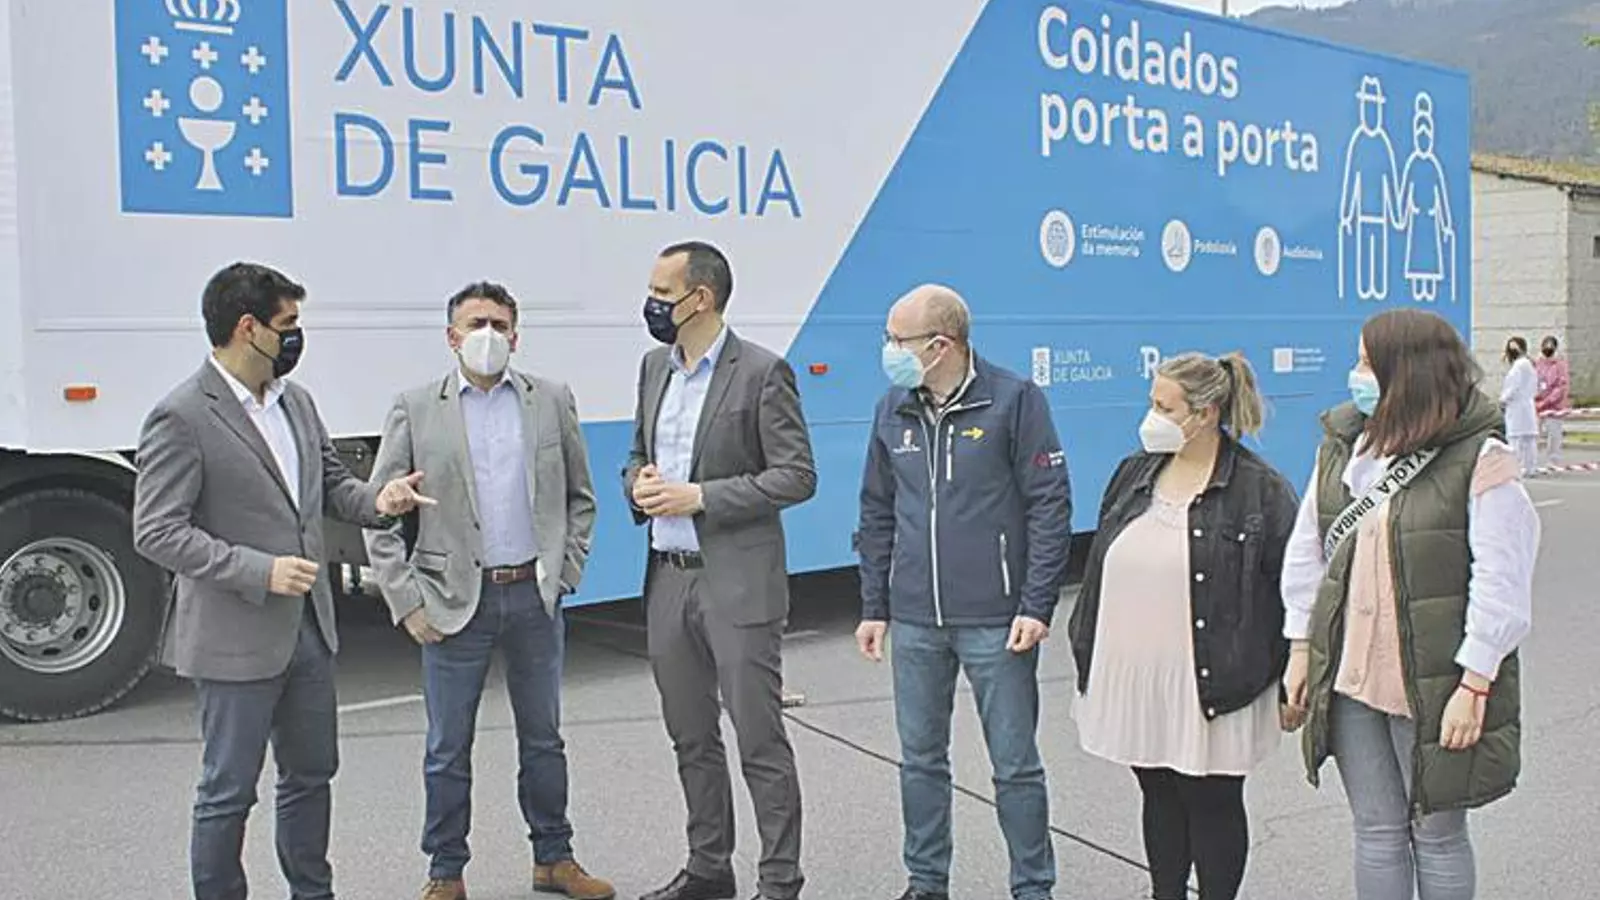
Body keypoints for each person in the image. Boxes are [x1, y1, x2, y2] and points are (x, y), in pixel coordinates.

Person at [131, 261, 433, 900]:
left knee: (311, 776)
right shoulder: (182, 416)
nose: (297, 336)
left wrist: (382, 500)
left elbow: (332, 486)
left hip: (309, 632)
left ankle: (312, 892)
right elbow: (157, 531)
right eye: (288, 323)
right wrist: (259, 570)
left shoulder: (296, 401)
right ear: (249, 328)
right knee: (228, 790)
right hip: (234, 636)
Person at [362, 283, 612, 900]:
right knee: (447, 747)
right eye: (476, 323)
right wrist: (406, 601)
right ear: (451, 336)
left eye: (500, 324)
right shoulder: (416, 408)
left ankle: (554, 857)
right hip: (453, 601)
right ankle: (445, 871)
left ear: (516, 336)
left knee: (544, 740)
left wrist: (567, 569)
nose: (488, 335)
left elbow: (580, 497)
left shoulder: (550, 400)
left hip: (532, 596)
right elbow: (379, 512)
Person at [1280, 308, 1539, 900]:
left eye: (1367, 364)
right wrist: (1299, 647)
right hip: (1351, 676)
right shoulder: (1345, 447)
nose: (1356, 376)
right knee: (1376, 830)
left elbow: (1502, 580)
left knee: (1437, 834)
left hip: (1436, 681)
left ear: (1409, 373)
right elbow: (1307, 551)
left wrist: (1474, 684)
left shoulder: (1481, 457)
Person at [854, 284, 1072, 900]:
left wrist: (1036, 604)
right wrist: (874, 605)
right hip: (915, 619)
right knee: (920, 761)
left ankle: (1033, 887)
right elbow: (876, 510)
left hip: (997, 620)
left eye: (898, 340)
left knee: (1015, 766)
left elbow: (1049, 506)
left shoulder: (1014, 400)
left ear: (941, 345)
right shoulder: (892, 408)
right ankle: (926, 883)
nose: (889, 350)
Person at [624, 241, 816, 900]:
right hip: (668, 577)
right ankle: (709, 868)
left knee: (759, 739)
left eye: (662, 292)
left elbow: (796, 475)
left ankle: (780, 880)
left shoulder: (761, 372)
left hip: (737, 581)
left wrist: (701, 496)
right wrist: (639, 483)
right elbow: (637, 453)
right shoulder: (654, 368)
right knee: (691, 736)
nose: (651, 304)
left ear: (700, 298)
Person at [1068, 352, 1297, 900]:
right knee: (1158, 793)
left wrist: (1294, 675)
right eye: (1152, 403)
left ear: (1206, 413)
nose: (1152, 417)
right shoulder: (1135, 472)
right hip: (1137, 676)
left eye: (1165, 407)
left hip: (1211, 680)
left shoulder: (1259, 489)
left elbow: (1293, 588)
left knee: (1211, 799)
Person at [1499, 336, 1539, 475]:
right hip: (1526, 405)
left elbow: (1512, 387)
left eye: (1514, 347)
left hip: (1517, 406)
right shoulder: (1528, 364)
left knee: (1515, 439)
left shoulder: (1519, 366)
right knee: (1528, 439)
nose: (1512, 350)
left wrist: (1503, 400)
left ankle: (1515, 468)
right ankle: (1530, 467)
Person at [1534, 335, 1571, 467]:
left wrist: (1547, 401)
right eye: (1545, 345)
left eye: (1550, 346)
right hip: (1537, 405)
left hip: (1554, 407)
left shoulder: (1560, 365)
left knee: (1554, 435)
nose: (1547, 348)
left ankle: (1553, 460)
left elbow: (1561, 386)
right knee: (1534, 434)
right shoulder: (1537, 363)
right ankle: (1531, 461)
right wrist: (1536, 397)